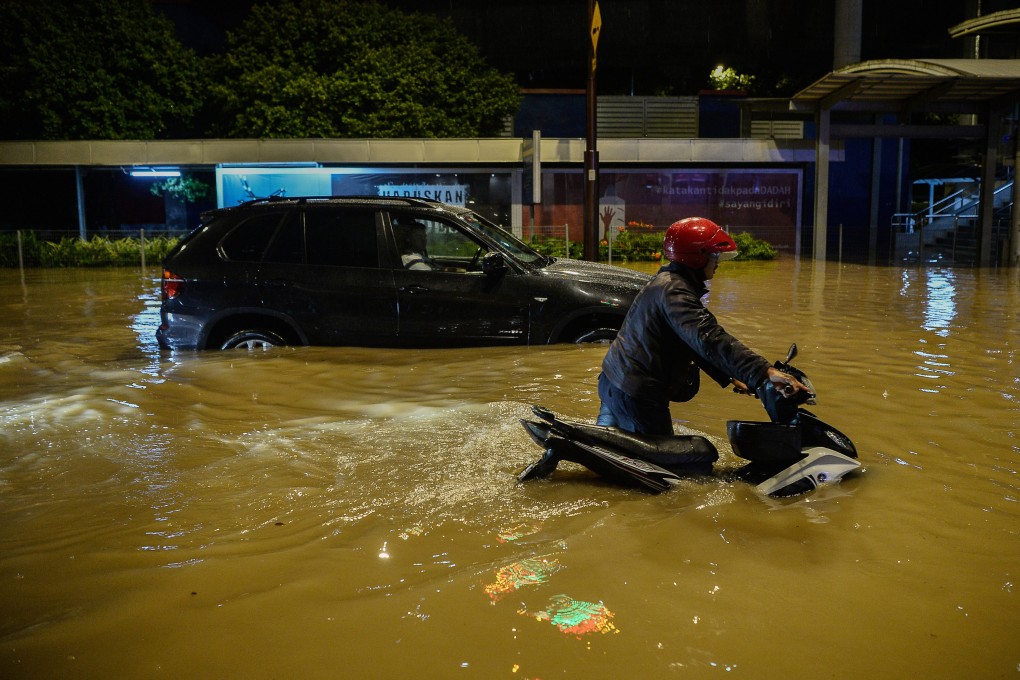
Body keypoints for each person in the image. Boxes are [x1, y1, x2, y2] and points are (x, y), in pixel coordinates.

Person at [596, 216, 809, 436]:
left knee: (608, 451)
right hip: (636, 395)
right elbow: (709, 338)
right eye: (713, 255)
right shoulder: (676, 292)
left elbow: (688, 340)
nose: (717, 262)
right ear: (697, 258)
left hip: (614, 381)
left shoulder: (667, 281)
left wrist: (729, 376)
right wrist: (765, 372)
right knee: (671, 466)